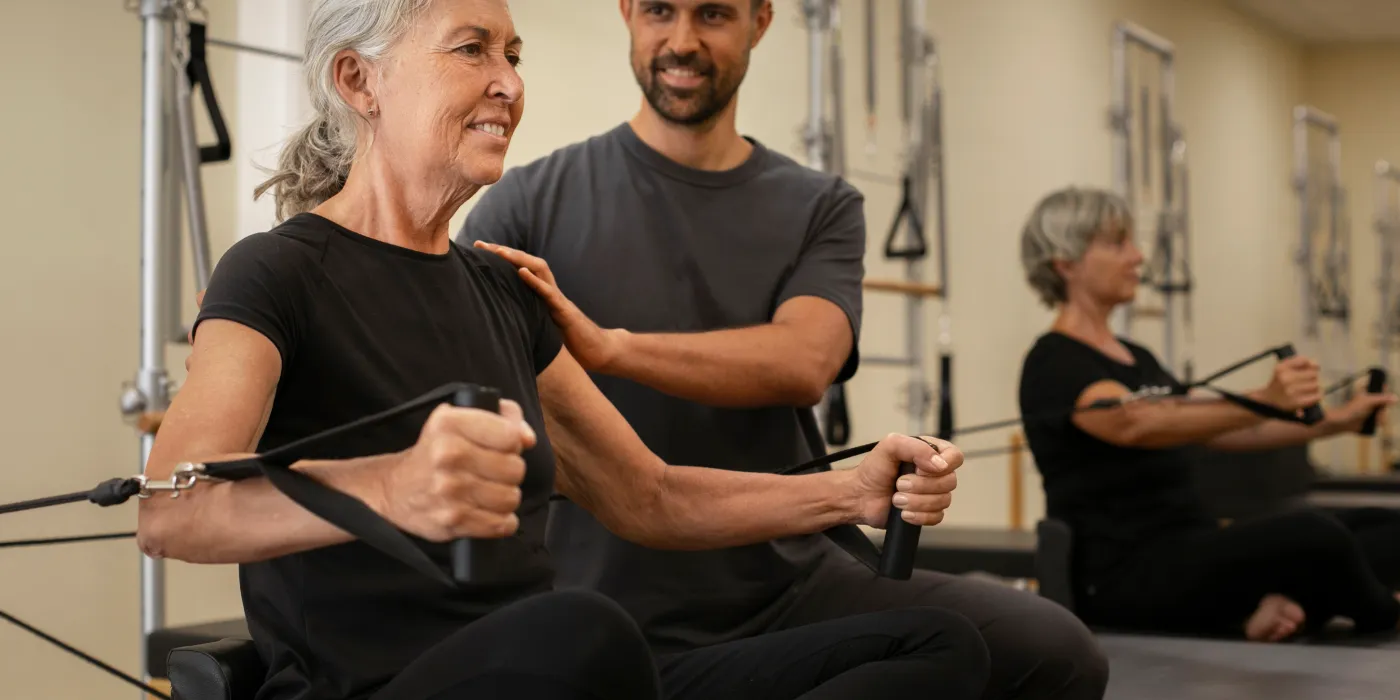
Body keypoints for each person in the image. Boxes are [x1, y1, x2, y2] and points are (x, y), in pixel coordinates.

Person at [142, 1, 996, 699]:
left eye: (514, 55)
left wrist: (850, 493)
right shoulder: (274, 271)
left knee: (938, 644)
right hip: (386, 684)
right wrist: (390, 486)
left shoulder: (501, 289)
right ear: (358, 80)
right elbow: (172, 508)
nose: (509, 84)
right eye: (472, 50)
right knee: (583, 629)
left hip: (550, 673)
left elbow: (651, 495)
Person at [458, 1, 1108, 698]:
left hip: (789, 584)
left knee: (1057, 651)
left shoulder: (821, 205)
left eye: (712, 13)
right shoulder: (525, 204)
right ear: (627, 12)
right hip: (601, 593)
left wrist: (612, 349)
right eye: (659, 11)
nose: (682, 41)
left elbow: (804, 363)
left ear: (761, 21)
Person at [1016, 185, 1400, 643]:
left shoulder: (1137, 357)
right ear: (1066, 262)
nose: (1138, 256)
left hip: (1188, 546)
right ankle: (1380, 613)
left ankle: (1282, 609)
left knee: (1378, 528)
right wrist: (1264, 397)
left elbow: (1221, 430)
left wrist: (1338, 420)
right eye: (1117, 243)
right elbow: (1136, 422)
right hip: (1121, 574)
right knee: (1311, 533)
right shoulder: (1053, 362)